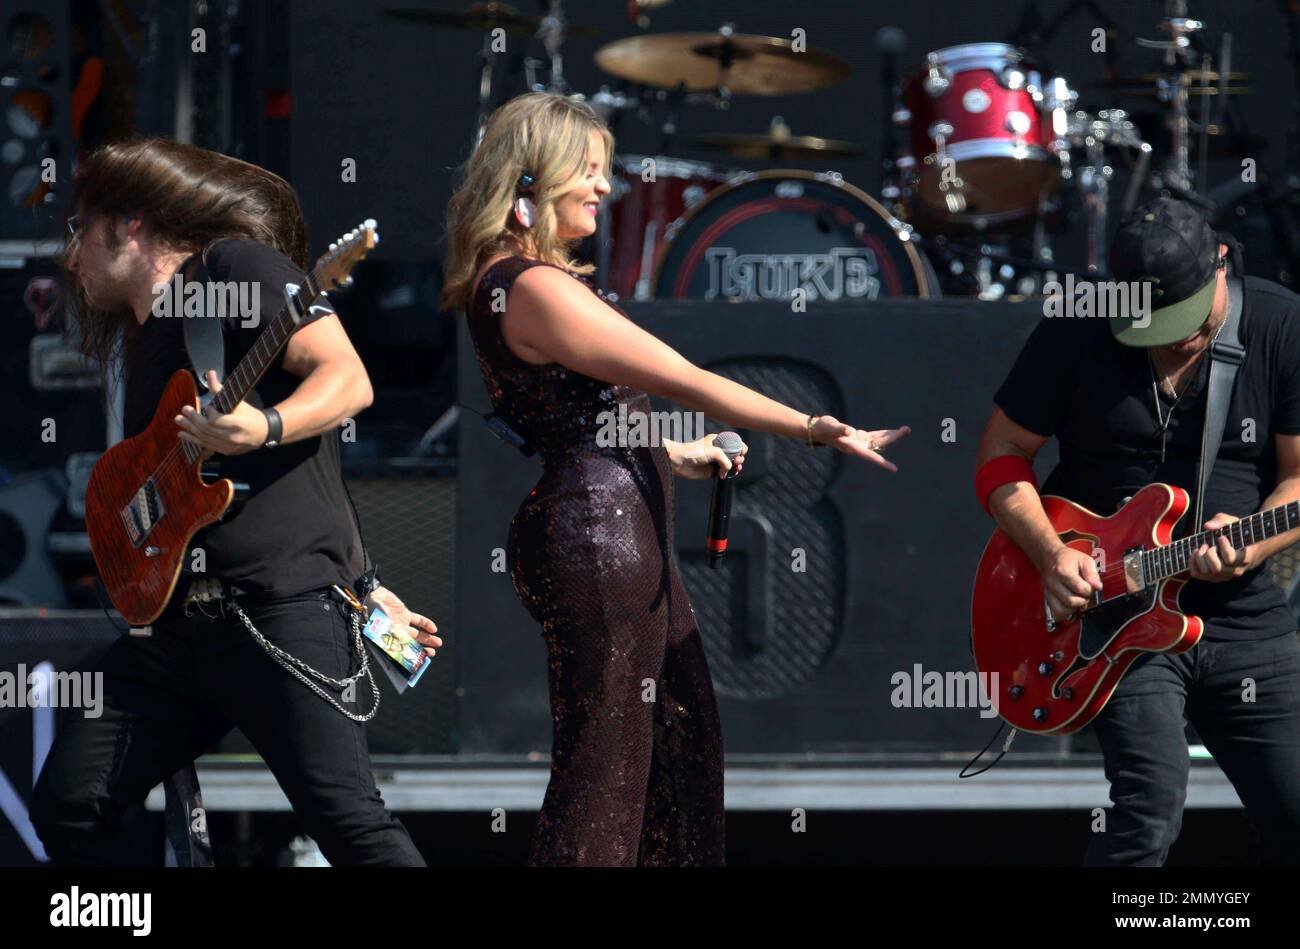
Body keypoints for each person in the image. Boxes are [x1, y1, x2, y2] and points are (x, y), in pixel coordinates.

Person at [441, 92, 910, 865]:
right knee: (608, 777)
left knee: (671, 756)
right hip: (600, 541)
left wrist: (672, 453)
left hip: (596, 526)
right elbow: (687, 377)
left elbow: (573, 419)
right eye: (586, 172)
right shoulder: (531, 286)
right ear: (530, 183)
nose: (605, 187)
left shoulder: (507, 285)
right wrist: (814, 426)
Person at [32, 137, 440, 866]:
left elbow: (348, 379)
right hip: (175, 633)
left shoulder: (233, 268)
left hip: (273, 608)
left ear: (128, 224)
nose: (68, 258)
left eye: (76, 231)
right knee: (72, 802)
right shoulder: (145, 339)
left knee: (352, 827)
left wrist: (265, 425)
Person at [976, 197, 1300, 865]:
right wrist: (1048, 553)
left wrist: (1252, 545)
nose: (1166, 340)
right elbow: (1001, 454)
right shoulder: (1077, 327)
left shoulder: (1278, 322)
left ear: (1220, 264)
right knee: (1146, 815)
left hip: (1241, 619)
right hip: (1114, 617)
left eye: (1181, 323)